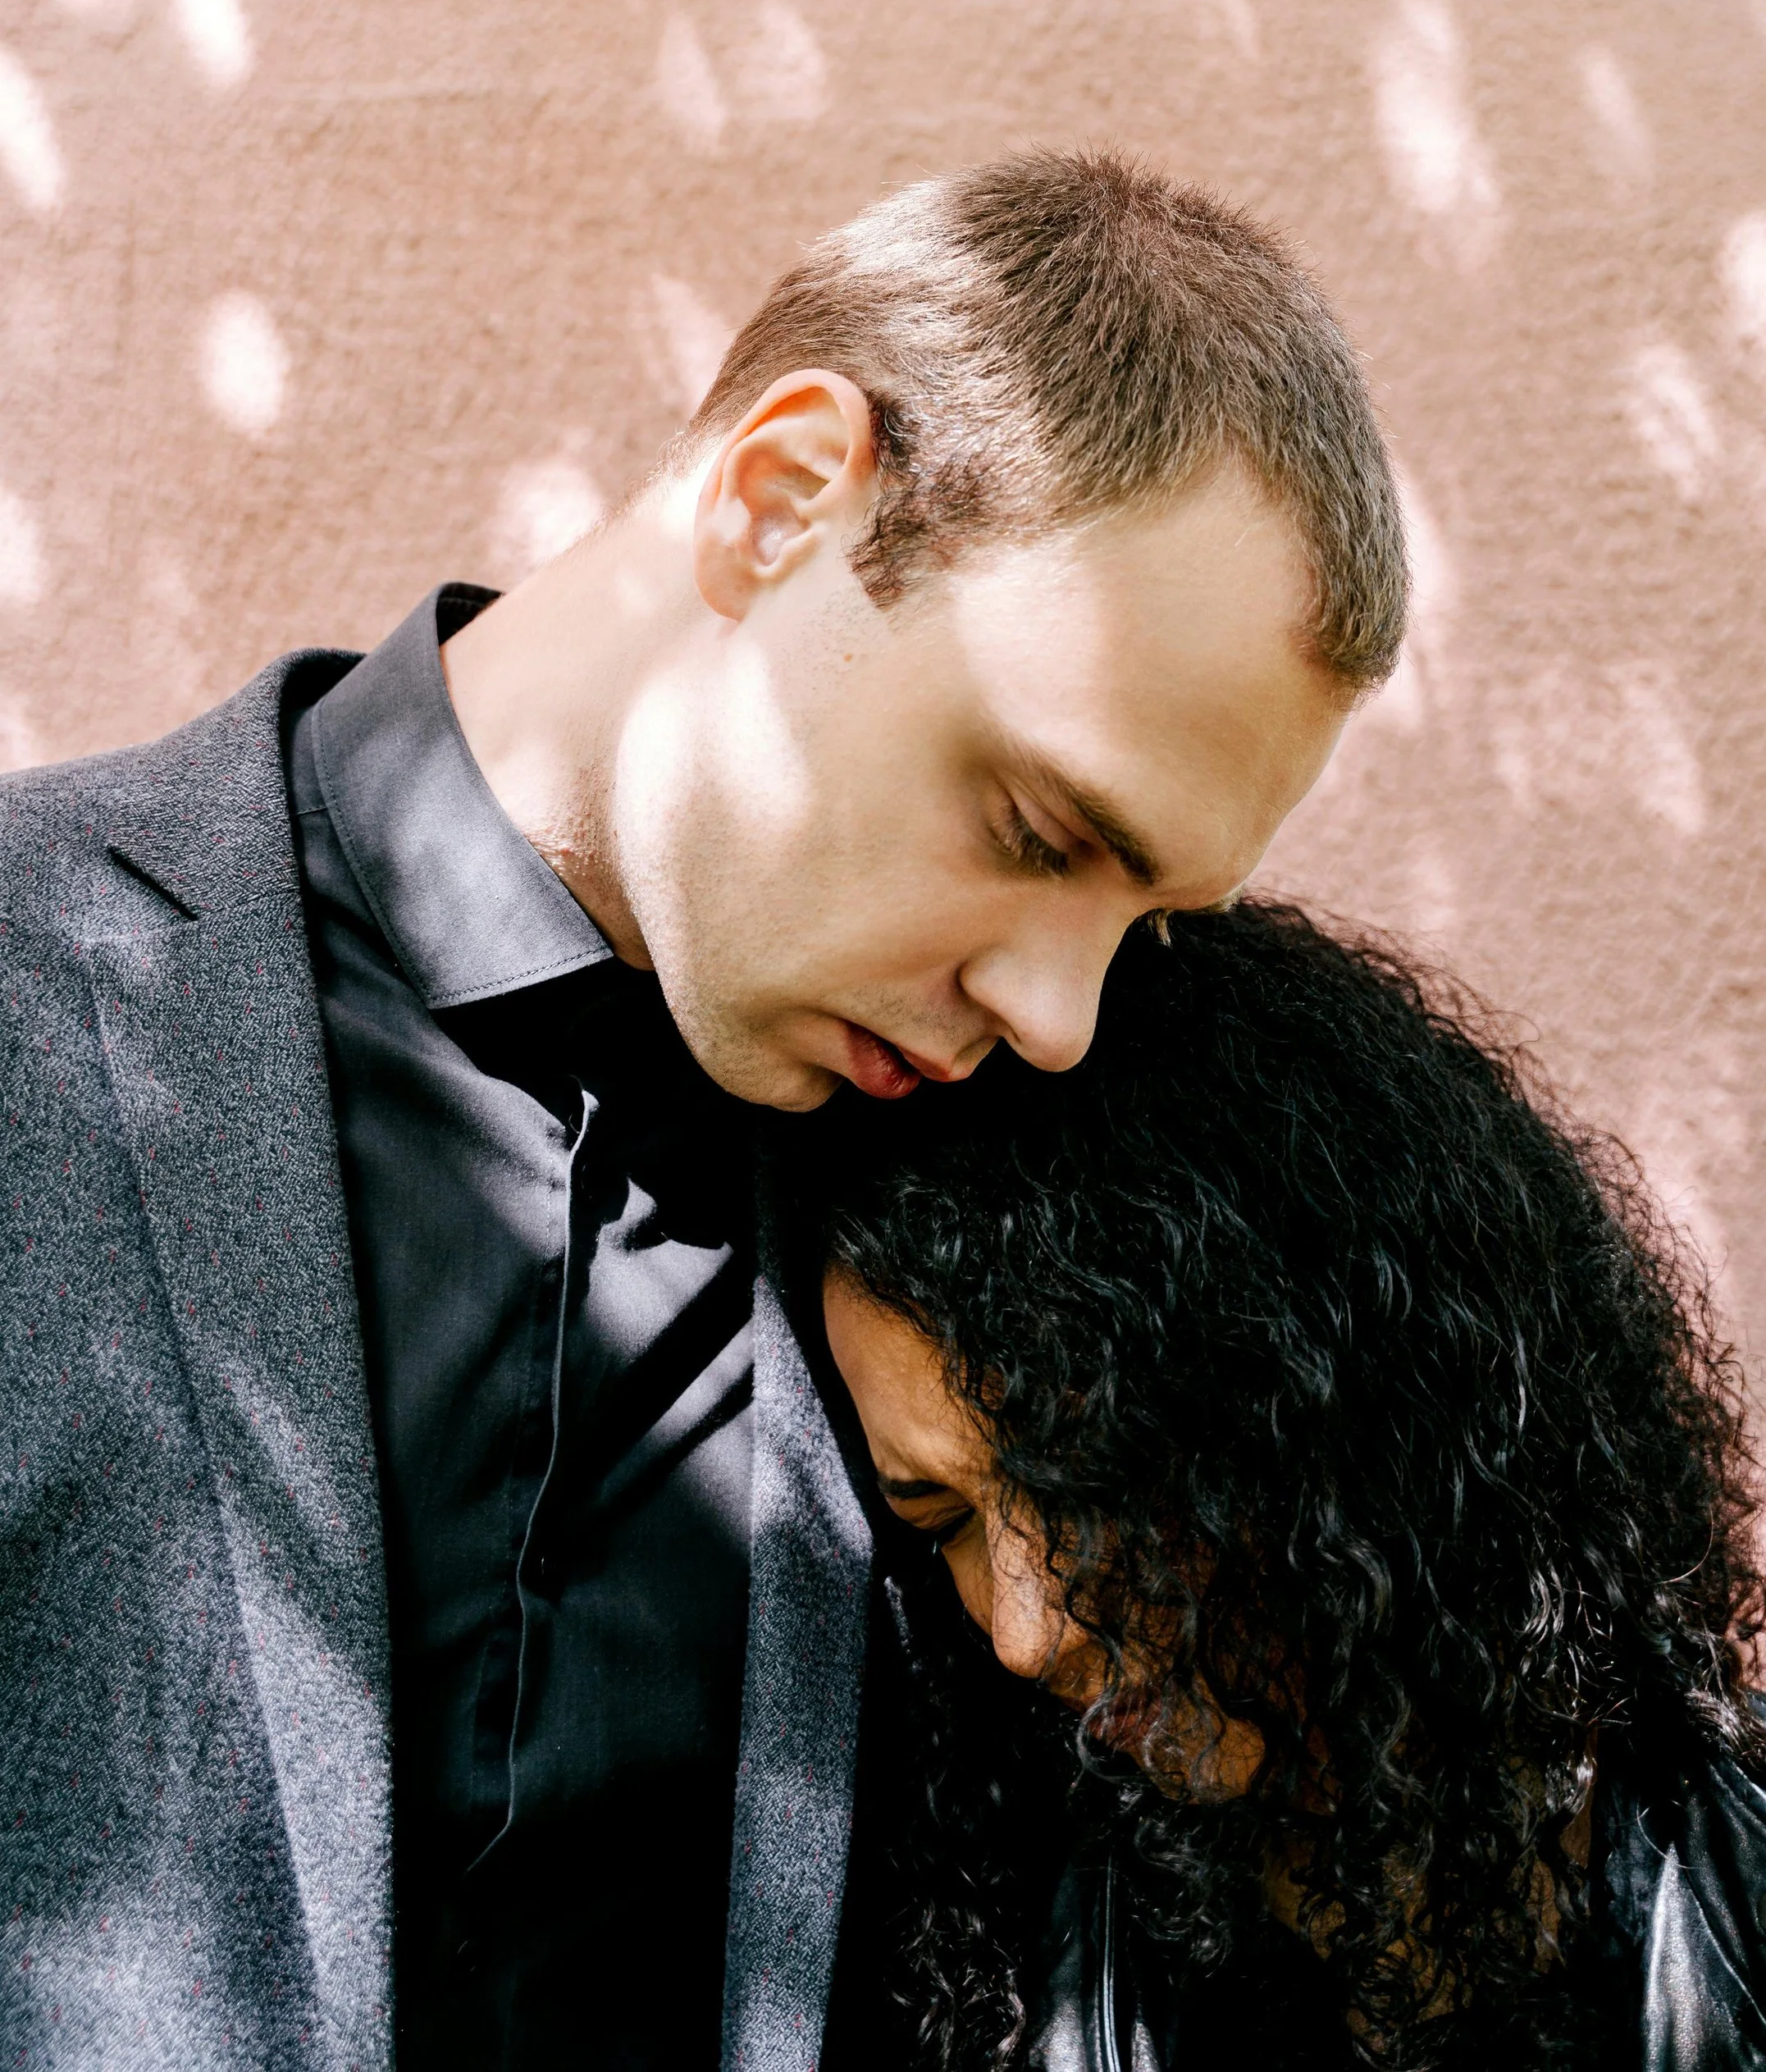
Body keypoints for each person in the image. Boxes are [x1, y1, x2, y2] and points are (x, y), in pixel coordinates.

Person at [0, 155, 1404, 2072]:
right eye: (1034, 832)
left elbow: (1411, 1694)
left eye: (1141, 919)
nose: (1059, 1016)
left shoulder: (1030, 1188)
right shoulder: (35, 988)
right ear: (779, 497)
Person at [816, 900, 1766, 2071]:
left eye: (1091, 1476)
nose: (1027, 1629)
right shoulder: (968, 1940)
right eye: (945, 1517)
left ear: (1346, 1410)